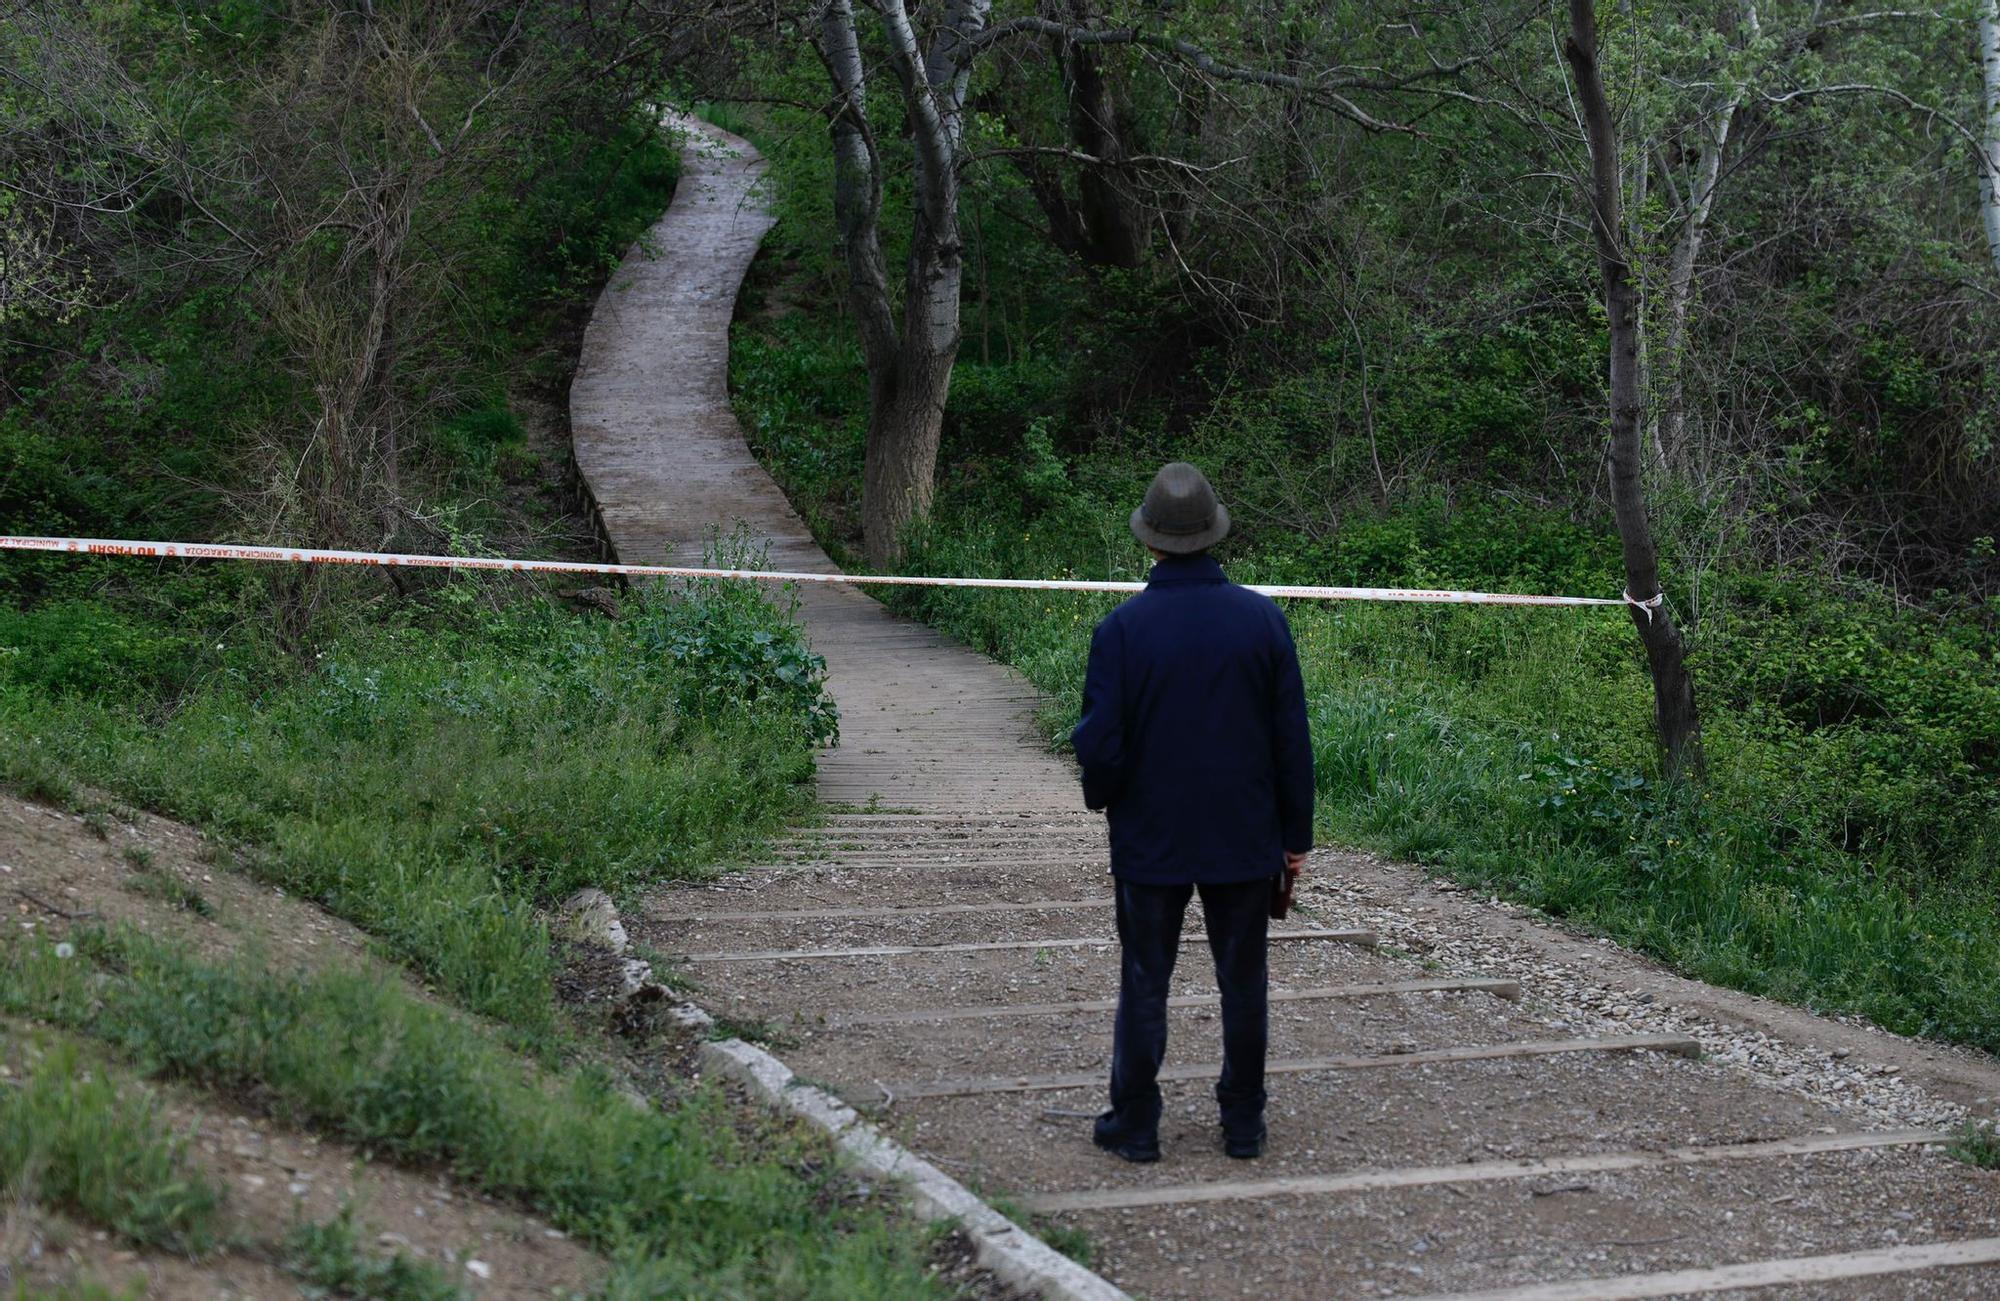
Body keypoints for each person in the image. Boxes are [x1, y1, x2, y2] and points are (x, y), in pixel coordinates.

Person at [1071, 461, 1314, 1162]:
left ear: (1149, 540)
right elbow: (1289, 740)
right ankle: (1243, 1122)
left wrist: (1107, 796)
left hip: (1151, 833)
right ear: (1213, 536)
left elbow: (1101, 741)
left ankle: (1137, 1122)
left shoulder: (1121, 629)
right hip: (1244, 831)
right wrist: (1294, 836)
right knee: (1244, 981)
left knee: (1146, 978)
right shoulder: (1264, 621)